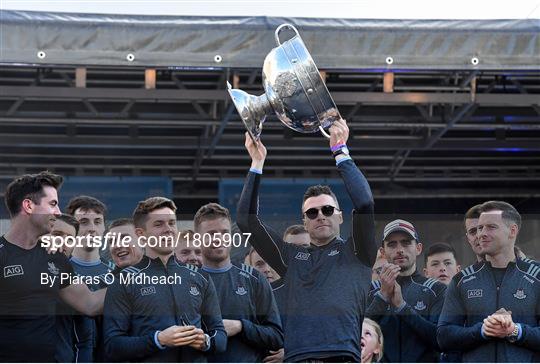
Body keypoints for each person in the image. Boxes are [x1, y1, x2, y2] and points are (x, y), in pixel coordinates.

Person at [236, 118, 376, 362]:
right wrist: (256, 163)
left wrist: (341, 151)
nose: (320, 216)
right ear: (304, 222)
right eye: (312, 213)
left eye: (328, 210)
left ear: (341, 216)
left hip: (341, 358)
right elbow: (247, 222)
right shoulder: (290, 257)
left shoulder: (358, 252)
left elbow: (364, 203)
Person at [103, 197, 226, 362]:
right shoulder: (123, 281)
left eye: (172, 223)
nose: (168, 229)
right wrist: (158, 339)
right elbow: (112, 345)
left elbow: (220, 335)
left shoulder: (200, 277)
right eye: (158, 224)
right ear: (141, 234)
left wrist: (206, 341)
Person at [0, 171, 106, 362]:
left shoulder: (55, 258)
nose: (58, 212)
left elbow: (90, 304)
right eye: (52, 204)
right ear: (28, 205)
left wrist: (134, 277)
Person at [437, 200, 540, 362]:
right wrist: (483, 331)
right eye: (479, 228)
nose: (481, 234)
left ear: (512, 231)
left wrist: (515, 331)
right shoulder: (461, 280)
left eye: (491, 227)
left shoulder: (537, 276)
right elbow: (443, 336)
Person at [196, 203, 283, 363]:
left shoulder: (255, 279)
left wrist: (241, 327)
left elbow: (276, 337)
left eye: (224, 233)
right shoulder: (187, 281)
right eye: (211, 233)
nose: (218, 239)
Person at [366, 219, 446, 362]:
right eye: (392, 244)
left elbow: (441, 340)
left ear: (418, 248)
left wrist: (402, 307)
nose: (400, 250)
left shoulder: (437, 289)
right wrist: (382, 297)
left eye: (406, 242)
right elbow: (356, 335)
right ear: (383, 252)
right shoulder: (370, 290)